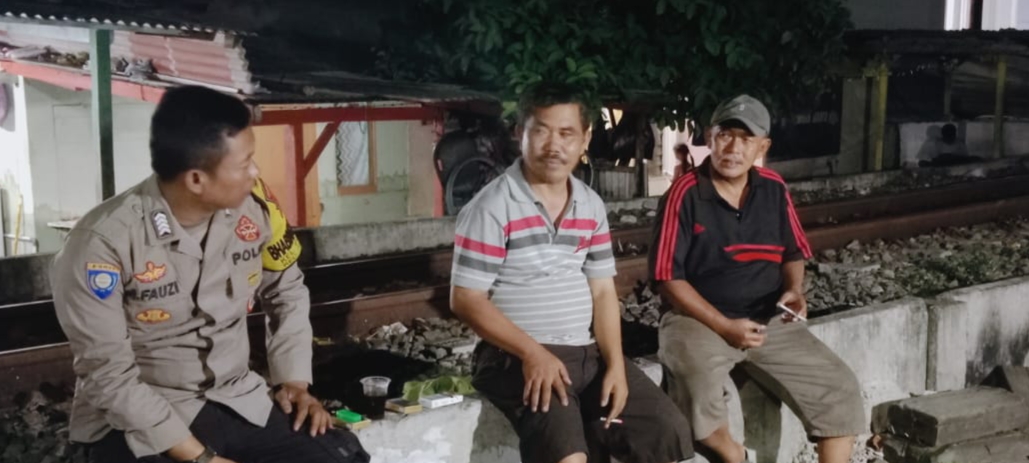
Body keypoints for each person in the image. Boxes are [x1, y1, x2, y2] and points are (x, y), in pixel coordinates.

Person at [51, 86, 369, 463]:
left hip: (235, 398)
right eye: (244, 164)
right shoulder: (101, 243)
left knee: (341, 455)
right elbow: (110, 377)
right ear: (196, 179)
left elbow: (287, 290)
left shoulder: (254, 213)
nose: (256, 172)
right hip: (142, 417)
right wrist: (203, 459)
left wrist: (294, 382)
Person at [450, 83, 694, 463]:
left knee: (666, 431)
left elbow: (602, 292)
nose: (554, 146)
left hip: (587, 355)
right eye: (542, 131)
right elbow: (466, 300)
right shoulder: (493, 206)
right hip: (514, 358)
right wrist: (533, 353)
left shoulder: (589, 204)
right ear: (520, 132)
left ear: (585, 139)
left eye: (566, 133)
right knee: (568, 456)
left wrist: (616, 365)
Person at [650, 95, 865, 463]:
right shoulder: (684, 194)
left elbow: (792, 253)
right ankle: (734, 455)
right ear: (710, 138)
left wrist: (793, 290)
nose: (733, 149)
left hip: (768, 320)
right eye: (725, 136)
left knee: (839, 389)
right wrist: (724, 326)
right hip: (699, 319)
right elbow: (667, 278)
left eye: (746, 139)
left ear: (762, 147)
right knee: (693, 383)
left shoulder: (773, 187)